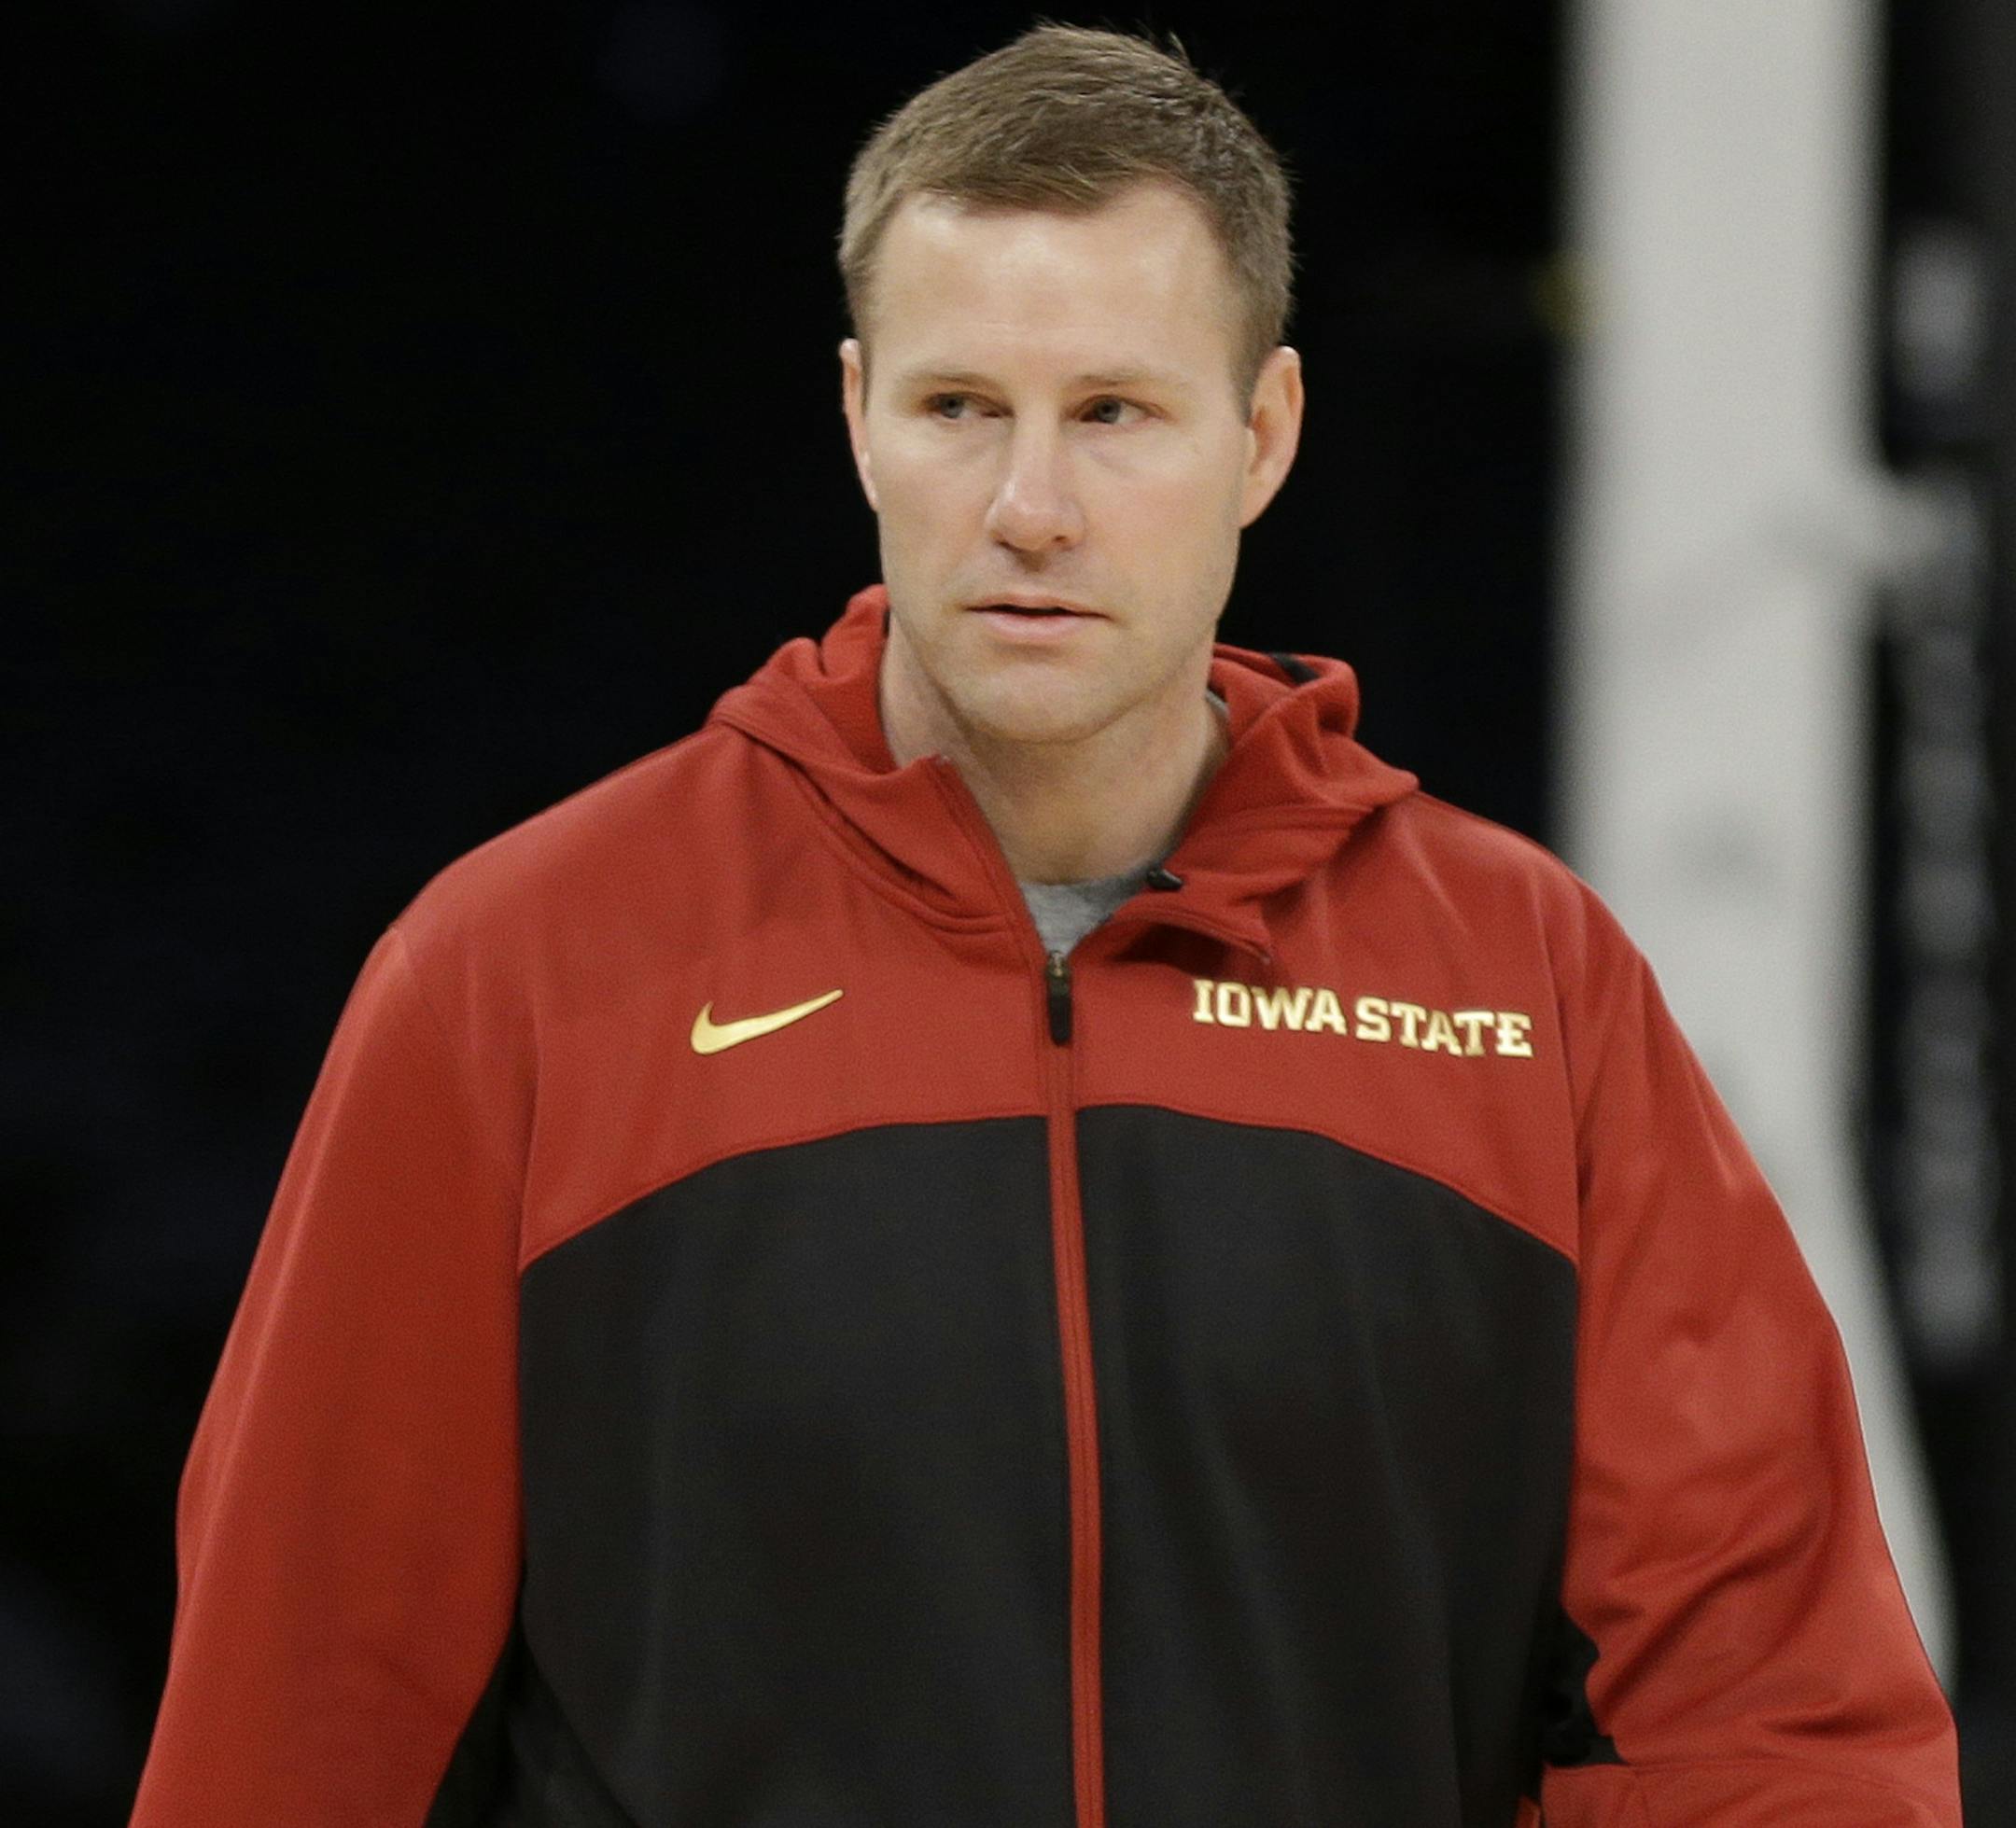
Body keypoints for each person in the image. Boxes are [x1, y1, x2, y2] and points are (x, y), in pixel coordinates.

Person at [133, 24, 1961, 1827]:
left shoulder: (1525, 981)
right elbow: (297, 1724)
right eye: (959, 410)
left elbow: (1774, 1719)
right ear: (857, 414)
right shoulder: (517, 971)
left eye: (1113, 413)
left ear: (1263, 432)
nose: (1029, 508)